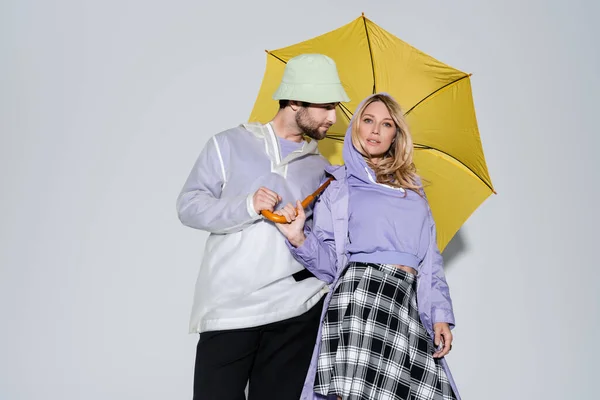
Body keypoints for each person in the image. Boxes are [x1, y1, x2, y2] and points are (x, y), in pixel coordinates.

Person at [176, 53, 350, 400]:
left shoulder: (320, 169)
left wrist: (301, 230)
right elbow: (189, 206)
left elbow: (324, 242)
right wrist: (247, 204)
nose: (333, 117)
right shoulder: (228, 144)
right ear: (295, 101)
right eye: (326, 106)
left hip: (296, 308)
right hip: (230, 307)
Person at [274, 93, 461, 400]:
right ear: (356, 127)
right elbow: (332, 264)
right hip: (360, 299)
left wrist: (439, 314)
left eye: (386, 124)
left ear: (395, 135)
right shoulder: (338, 186)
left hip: (405, 302)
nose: (376, 130)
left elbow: (430, 262)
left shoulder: (413, 190)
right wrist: (299, 237)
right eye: (368, 120)